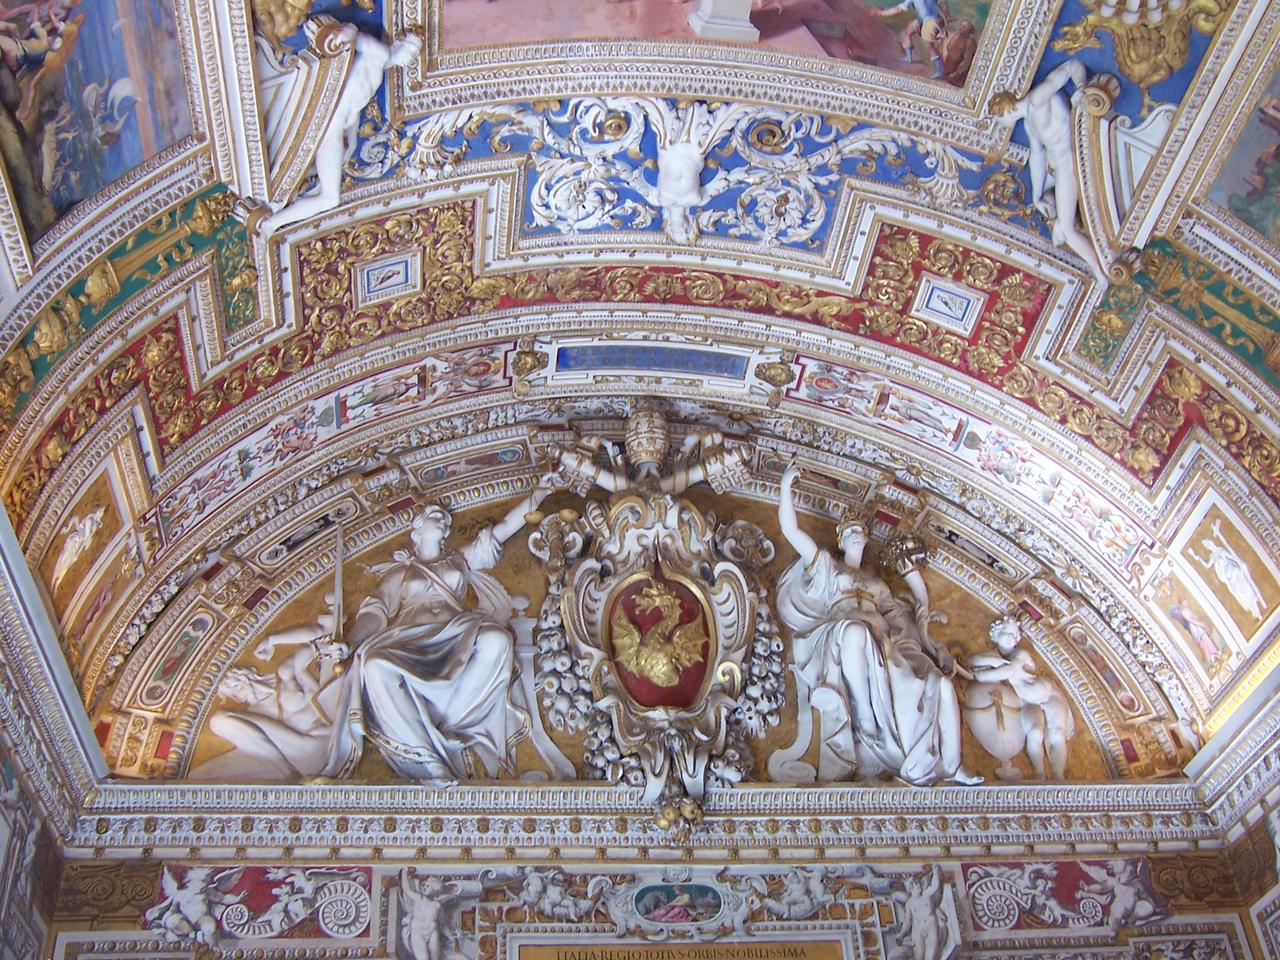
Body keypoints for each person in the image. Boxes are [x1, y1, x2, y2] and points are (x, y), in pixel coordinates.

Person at [322, 473, 562, 783]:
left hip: (455, 634)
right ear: (417, 528)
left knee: (497, 640)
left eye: (445, 520)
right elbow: (375, 612)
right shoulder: (401, 573)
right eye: (435, 516)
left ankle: (450, 719)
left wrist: (538, 495)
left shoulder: (458, 561)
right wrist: (351, 643)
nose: (443, 521)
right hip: (409, 640)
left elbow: (501, 531)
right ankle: (427, 756)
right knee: (374, 665)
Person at [774, 461, 980, 785]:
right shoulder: (828, 569)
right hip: (841, 638)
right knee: (855, 631)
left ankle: (950, 766)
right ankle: (864, 717)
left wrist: (929, 631)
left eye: (861, 531)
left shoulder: (877, 585)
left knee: (938, 683)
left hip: (884, 650)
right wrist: (785, 486)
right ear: (841, 541)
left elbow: (903, 621)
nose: (857, 535)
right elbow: (791, 532)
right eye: (850, 532)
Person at [988, 59, 1108, 285]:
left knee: (1068, 230)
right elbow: (1037, 155)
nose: (999, 123)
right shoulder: (1028, 123)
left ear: (1004, 109)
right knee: (1047, 200)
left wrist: (1081, 87)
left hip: (1068, 163)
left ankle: (1100, 271)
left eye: (997, 118)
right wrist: (1035, 197)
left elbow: (1072, 65)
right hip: (1057, 167)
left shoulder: (1036, 99)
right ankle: (1059, 218)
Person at [968, 616, 1075, 779]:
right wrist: (990, 661)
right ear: (996, 634)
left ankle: (1058, 776)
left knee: (1056, 734)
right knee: (1035, 733)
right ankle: (1040, 774)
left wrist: (978, 676)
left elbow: (1007, 671)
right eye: (1007, 632)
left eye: (1015, 634)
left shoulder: (1021, 654)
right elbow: (972, 660)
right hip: (1027, 702)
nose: (1012, 638)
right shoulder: (996, 657)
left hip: (1049, 696)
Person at [875, 0, 949, 78]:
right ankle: (909, 57)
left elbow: (898, 9)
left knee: (928, 45)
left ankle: (939, 70)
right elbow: (943, 4)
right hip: (926, 19)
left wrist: (881, 13)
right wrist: (947, 15)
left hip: (930, 21)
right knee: (909, 31)